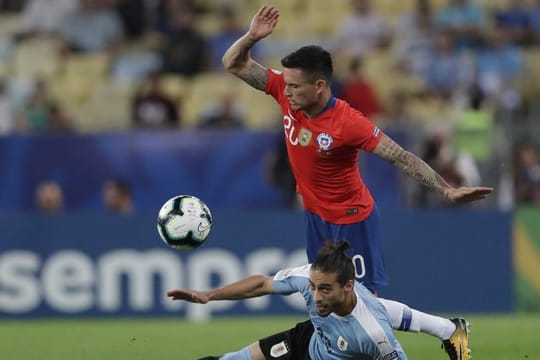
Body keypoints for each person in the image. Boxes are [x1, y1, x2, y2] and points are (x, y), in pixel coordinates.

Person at [222, 5, 492, 359]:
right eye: (285, 84)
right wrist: (252, 37)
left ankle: (448, 330)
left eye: (294, 86)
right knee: (330, 297)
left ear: (319, 86)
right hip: (316, 218)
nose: (285, 91)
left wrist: (445, 189)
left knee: (362, 303)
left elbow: (399, 156)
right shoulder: (284, 92)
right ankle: (449, 329)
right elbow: (233, 63)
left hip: (352, 220)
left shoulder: (347, 122)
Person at [168, 240, 408, 360]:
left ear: (348, 287)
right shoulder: (306, 277)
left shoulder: (374, 333)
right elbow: (262, 284)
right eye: (313, 287)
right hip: (306, 344)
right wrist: (208, 295)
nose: (315, 297)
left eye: (324, 289)